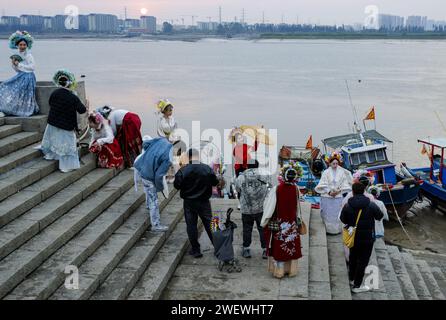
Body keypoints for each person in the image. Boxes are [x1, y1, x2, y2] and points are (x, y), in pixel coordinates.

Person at [174, 148, 222, 258]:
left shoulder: (183, 170)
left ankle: (196, 249)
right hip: (204, 201)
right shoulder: (207, 168)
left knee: (191, 225)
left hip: (189, 202)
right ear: (198, 156)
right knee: (211, 223)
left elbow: (177, 185)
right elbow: (215, 182)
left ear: (188, 157)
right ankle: (218, 248)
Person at [340, 182, 384, 293]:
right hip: (367, 237)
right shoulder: (371, 204)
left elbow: (343, 219)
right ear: (364, 191)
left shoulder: (348, 205)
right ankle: (357, 285)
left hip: (353, 236)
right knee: (363, 261)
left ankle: (351, 278)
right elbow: (380, 216)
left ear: (353, 192)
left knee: (353, 258)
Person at [40, 69, 86, 173]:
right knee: (67, 146)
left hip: (53, 122)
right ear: (70, 84)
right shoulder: (73, 97)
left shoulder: (54, 93)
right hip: (66, 125)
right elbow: (82, 110)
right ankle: (66, 166)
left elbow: (50, 103)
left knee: (54, 141)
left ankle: (52, 155)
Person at [264, 162, 304, 279]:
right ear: (295, 178)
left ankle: (279, 272)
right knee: (291, 245)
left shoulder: (277, 189)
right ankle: (291, 270)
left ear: (283, 176)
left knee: (280, 246)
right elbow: (297, 206)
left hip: (279, 223)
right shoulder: (296, 189)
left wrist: (265, 220)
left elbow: (270, 206)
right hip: (292, 224)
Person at [134, 135, 173, 232]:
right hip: (149, 176)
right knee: (154, 200)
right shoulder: (167, 159)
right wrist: (160, 188)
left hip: (141, 167)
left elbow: (146, 143)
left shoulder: (162, 140)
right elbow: (159, 176)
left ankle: (148, 205)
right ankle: (155, 225)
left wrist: (150, 156)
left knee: (147, 190)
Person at [235, 160, 272, 259]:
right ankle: (265, 250)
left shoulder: (241, 177)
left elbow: (238, 189)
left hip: (247, 209)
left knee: (247, 229)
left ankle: (246, 249)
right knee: (263, 229)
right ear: (258, 165)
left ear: (247, 165)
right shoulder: (265, 175)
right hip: (261, 208)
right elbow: (270, 187)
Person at [0, 31, 39, 117]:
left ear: (27, 45)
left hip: (28, 77)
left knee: (18, 92)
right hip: (21, 75)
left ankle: (17, 109)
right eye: (21, 45)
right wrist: (14, 64)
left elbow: (32, 67)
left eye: (24, 45)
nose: (22, 46)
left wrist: (19, 64)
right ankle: (5, 108)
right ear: (17, 45)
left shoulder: (29, 55)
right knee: (4, 85)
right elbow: (17, 70)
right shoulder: (17, 55)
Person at [315, 152, 353, 235]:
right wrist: (329, 192)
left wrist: (338, 191)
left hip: (338, 195)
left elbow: (345, 183)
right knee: (328, 214)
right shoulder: (325, 172)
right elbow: (323, 183)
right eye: (333, 163)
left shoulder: (342, 172)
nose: (335, 165)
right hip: (327, 196)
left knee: (337, 214)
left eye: (336, 163)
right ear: (330, 164)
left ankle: (337, 229)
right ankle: (328, 229)